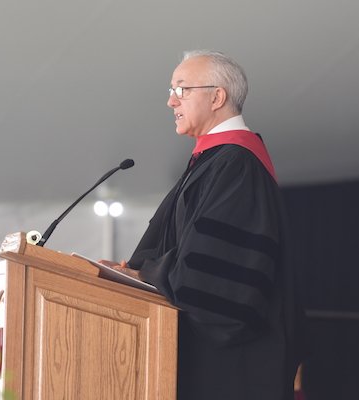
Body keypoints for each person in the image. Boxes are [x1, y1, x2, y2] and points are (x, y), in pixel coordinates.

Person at [102, 50, 307, 400]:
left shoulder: (237, 165)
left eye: (181, 89)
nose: (171, 101)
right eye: (171, 90)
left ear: (217, 97)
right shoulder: (213, 162)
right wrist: (133, 274)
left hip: (228, 372)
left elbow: (216, 282)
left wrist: (145, 273)